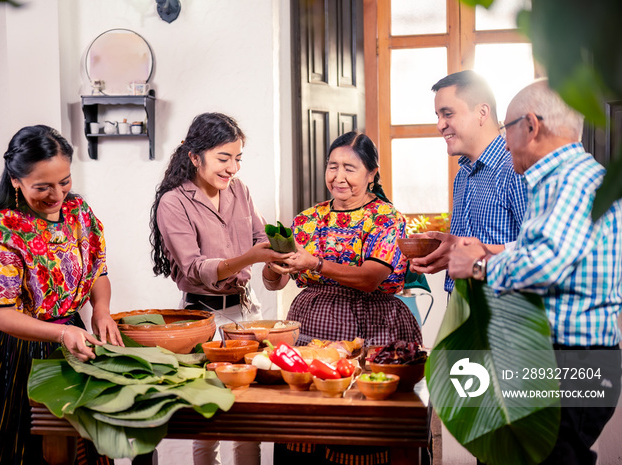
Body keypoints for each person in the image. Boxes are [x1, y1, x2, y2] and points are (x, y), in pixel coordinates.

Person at [448, 79, 622, 465]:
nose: (504, 141)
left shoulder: (570, 181)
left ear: (531, 125)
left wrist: (478, 265)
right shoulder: (572, 177)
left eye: (506, 128)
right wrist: (491, 248)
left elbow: (546, 262)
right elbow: (553, 248)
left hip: (571, 361)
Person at [0, 125, 124, 465]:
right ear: (16, 181)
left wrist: (101, 311)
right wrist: (63, 332)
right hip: (13, 349)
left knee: (78, 444)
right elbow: (0, 314)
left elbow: (98, 273)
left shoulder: (79, 214)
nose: (56, 195)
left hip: (71, 338)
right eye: (42, 187)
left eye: (64, 182)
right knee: (20, 446)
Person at [264, 131, 420, 465]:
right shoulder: (307, 219)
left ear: (371, 174)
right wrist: (272, 265)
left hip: (375, 324)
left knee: (367, 419)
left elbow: (369, 278)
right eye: (332, 167)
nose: (338, 177)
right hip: (311, 323)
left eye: (350, 168)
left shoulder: (387, 219)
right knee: (304, 412)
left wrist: (315, 262)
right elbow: (275, 283)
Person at [149, 112, 292, 465]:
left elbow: (260, 239)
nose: (232, 169)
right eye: (223, 158)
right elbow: (194, 268)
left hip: (246, 312)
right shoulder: (173, 202)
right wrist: (250, 258)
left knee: (249, 411)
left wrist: (279, 260)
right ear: (195, 157)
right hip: (202, 318)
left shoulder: (239, 191)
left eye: (238, 159)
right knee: (207, 414)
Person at [410, 70, 528, 293]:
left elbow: (537, 252)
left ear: (482, 112)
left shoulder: (515, 168)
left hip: (501, 310)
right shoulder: (462, 175)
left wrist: (471, 253)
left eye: (448, 114)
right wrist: (446, 247)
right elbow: (467, 247)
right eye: (438, 115)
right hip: (460, 304)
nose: (440, 125)